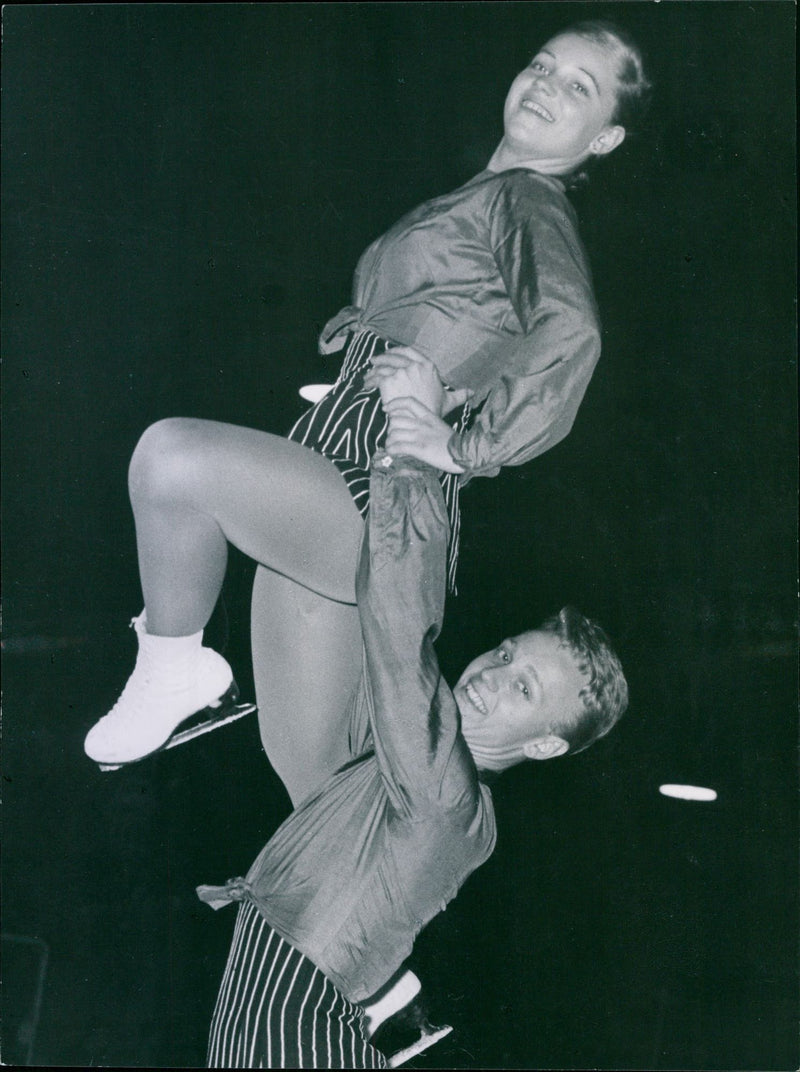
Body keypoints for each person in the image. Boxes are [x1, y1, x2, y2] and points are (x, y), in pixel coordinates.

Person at [83, 20, 650, 808]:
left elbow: (573, 332)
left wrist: (467, 446)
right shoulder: (487, 196)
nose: (547, 85)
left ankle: (173, 663)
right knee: (317, 794)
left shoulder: (526, 199)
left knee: (171, 460)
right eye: (542, 65)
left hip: (376, 484)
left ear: (607, 138)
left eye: (579, 87)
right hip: (340, 462)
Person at [197, 451, 629, 1069]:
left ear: (543, 744)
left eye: (526, 689)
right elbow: (346, 634)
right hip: (288, 1020)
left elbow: (400, 639)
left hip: (291, 1028)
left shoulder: (445, 790)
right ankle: (389, 997)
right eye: (508, 656)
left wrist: (410, 473)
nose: (495, 675)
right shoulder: (410, 769)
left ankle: (388, 997)